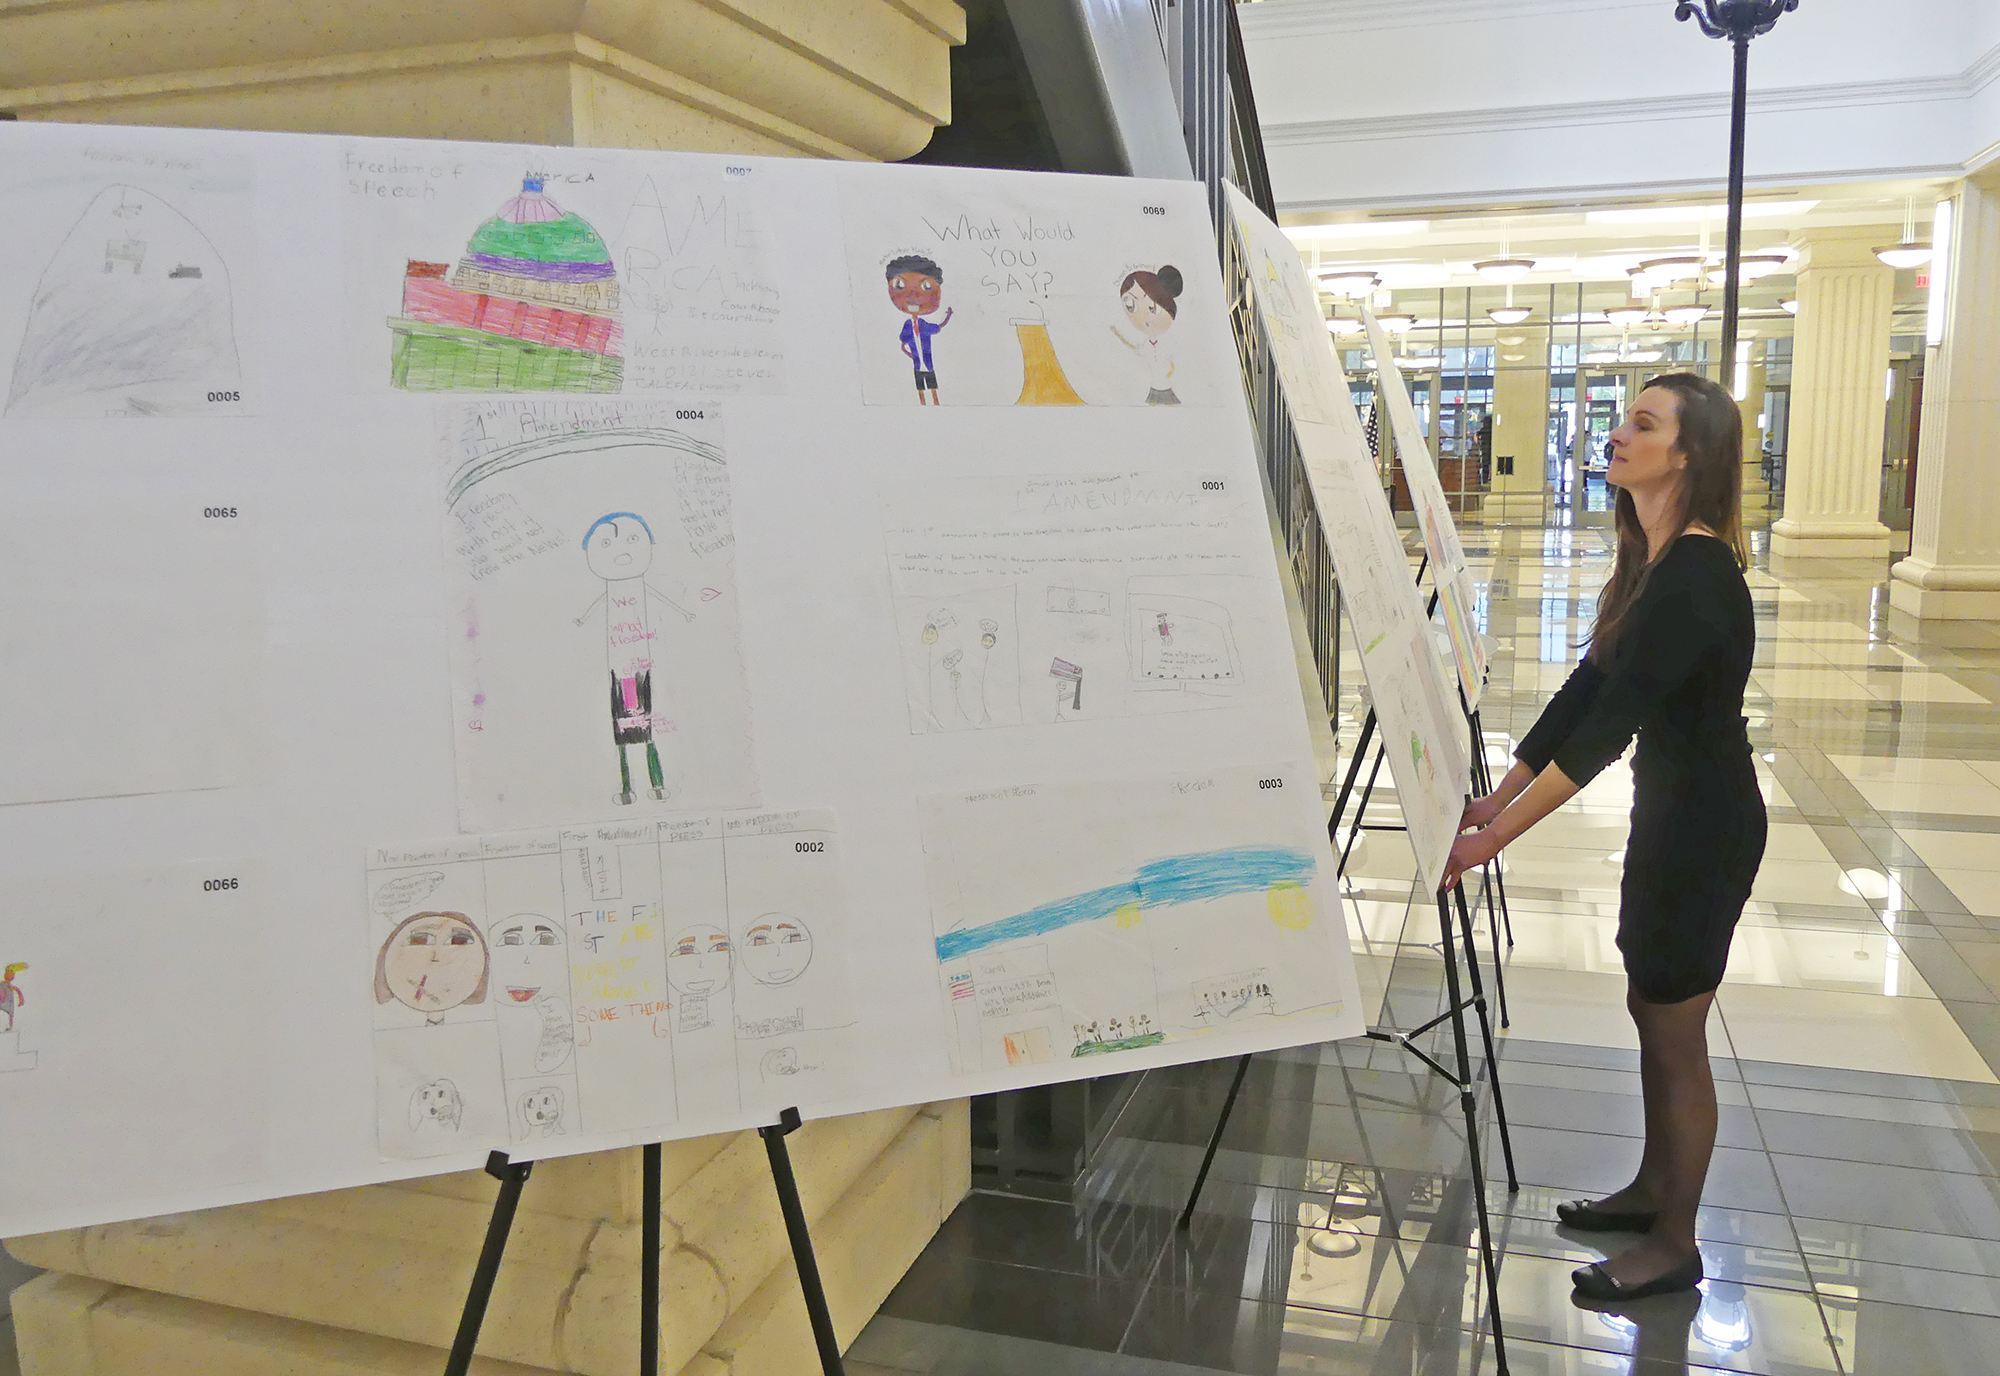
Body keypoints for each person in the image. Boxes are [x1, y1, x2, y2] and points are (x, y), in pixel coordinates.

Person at [1443, 372, 1765, 1303]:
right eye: (1625, 418)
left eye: (1644, 424)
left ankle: (1675, 1241)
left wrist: (1490, 842)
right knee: (1651, 1010)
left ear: (1688, 455)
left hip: (1704, 831)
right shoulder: (1655, 560)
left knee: (1676, 1034)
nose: (1620, 434)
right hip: (1673, 818)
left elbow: (1605, 734)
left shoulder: (1697, 573)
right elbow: (1586, 694)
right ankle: (1653, 1189)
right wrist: (1493, 796)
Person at [1109, 266, 1182, 404]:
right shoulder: (1146, 345)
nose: (1144, 317)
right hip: (1152, 386)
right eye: (1130, 306)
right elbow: (1134, 349)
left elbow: (1171, 361)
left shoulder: (1167, 343)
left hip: (1165, 386)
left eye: (1152, 307)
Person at [886, 255, 951, 404]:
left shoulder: (923, 325)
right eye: (900, 285)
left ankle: (935, 402)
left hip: (928, 364)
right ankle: (923, 404)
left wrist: (948, 316)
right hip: (917, 364)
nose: (913, 296)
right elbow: (903, 340)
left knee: (932, 385)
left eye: (926, 287)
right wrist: (908, 348)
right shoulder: (908, 326)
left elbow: (937, 327)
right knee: (920, 387)